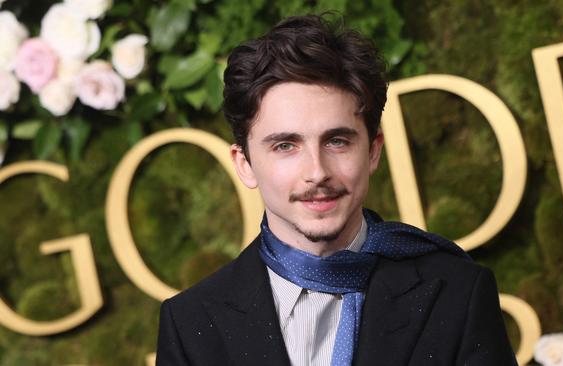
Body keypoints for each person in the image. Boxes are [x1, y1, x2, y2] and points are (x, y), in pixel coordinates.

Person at [155, 14, 517, 366]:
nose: (317, 172)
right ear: (244, 164)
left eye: (337, 141)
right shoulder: (190, 324)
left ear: (373, 150)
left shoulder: (457, 292)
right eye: (285, 146)